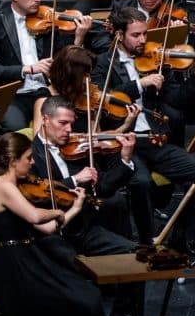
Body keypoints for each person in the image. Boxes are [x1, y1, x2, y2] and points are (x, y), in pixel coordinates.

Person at [91, 6, 195, 253]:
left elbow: (178, 99)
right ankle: (146, 244)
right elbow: (100, 99)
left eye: (144, 34)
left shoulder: (155, 60)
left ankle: (180, 242)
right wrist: (139, 84)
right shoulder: (103, 64)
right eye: (136, 35)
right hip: (122, 142)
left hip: (154, 138)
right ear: (118, 35)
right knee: (142, 182)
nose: (143, 41)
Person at [32, 96, 153, 316]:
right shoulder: (31, 155)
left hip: (83, 229)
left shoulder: (75, 148)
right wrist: (75, 180)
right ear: (45, 120)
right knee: (82, 299)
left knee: (137, 255)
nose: (69, 131)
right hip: (51, 238)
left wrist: (125, 160)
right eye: (62, 123)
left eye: (71, 124)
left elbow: (104, 189)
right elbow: (41, 195)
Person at [0, 131, 111, 316]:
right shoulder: (3, 186)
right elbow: (35, 216)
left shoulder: (16, 186)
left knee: (87, 295)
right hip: (13, 267)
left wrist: (74, 208)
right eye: (28, 158)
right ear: (13, 162)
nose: (32, 163)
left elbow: (49, 228)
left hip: (28, 258)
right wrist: (57, 212)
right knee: (76, 302)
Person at [31, 45, 140, 236]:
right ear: (70, 74)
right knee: (113, 201)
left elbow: (94, 134)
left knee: (128, 185)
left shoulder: (87, 97)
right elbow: (40, 141)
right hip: (62, 161)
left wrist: (123, 127)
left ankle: (122, 246)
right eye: (85, 75)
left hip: (85, 155)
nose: (88, 80)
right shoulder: (44, 98)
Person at [0, 0, 92, 131]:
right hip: (13, 96)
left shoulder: (48, 20)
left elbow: (66, 61)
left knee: (70, 123)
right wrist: (28, 69)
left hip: (46, 91)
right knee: (15, 126)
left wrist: (79, 38)